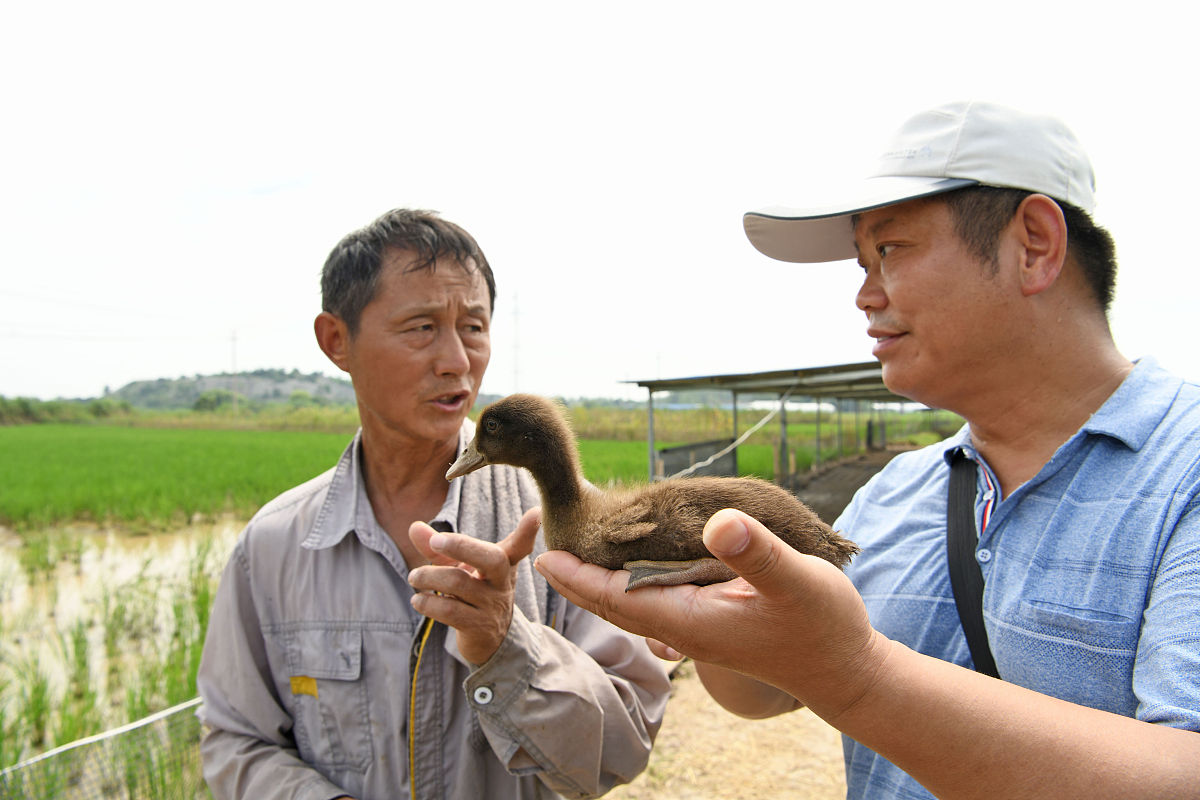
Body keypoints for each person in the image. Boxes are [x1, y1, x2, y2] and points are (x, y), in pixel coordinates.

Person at [534, 101, 1200, 799]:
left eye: (889, 250)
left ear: (1033, 243)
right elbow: (765, 696)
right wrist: (713, 613)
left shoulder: (1180, 472)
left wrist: (855, 677)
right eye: (861, 262)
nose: (863, 294)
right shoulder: (893, 493)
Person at [196, 208, 671, 800]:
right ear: (336, 340)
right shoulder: (273, 547)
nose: (456, 360)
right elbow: (234, 741)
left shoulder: (571, 527)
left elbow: (626, 745)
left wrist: (506, 645)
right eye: (420, 327)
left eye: (474, 326)